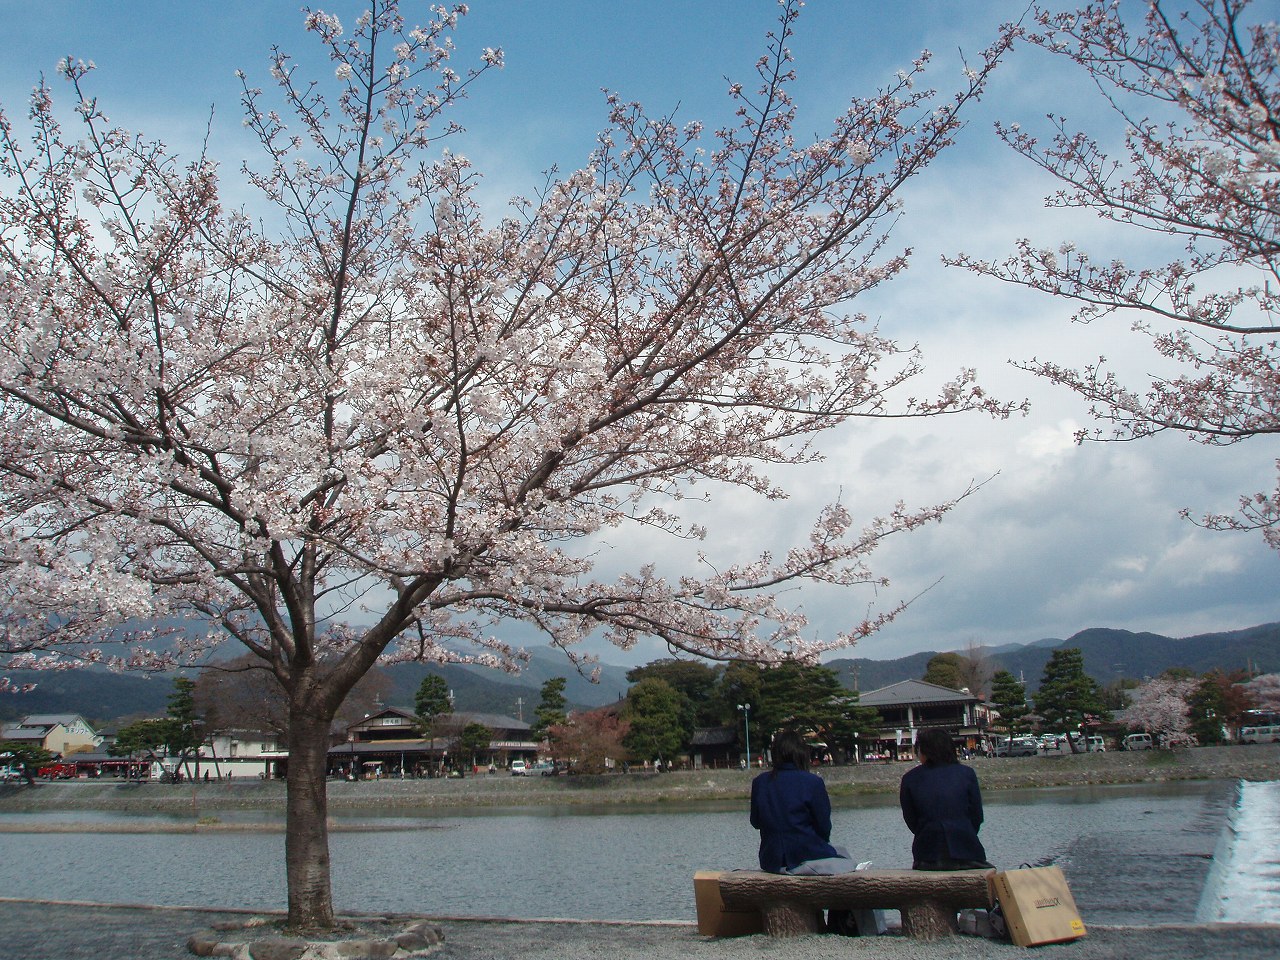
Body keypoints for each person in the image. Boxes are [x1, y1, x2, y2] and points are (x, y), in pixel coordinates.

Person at [899, 728, 993, 871]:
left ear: (923, 751)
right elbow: (977, 816)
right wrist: (965, 831)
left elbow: (911, 820)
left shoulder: (910, 778)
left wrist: (927, 831)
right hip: (967, 851)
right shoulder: (966, 774)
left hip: (927, 855)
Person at [749, 729, 842, 873]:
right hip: (808, 855)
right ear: (802, 753)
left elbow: (755, 822)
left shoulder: (760, 782)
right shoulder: (813, 782)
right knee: (845, 859)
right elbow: (824, 827)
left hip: (771, 859)